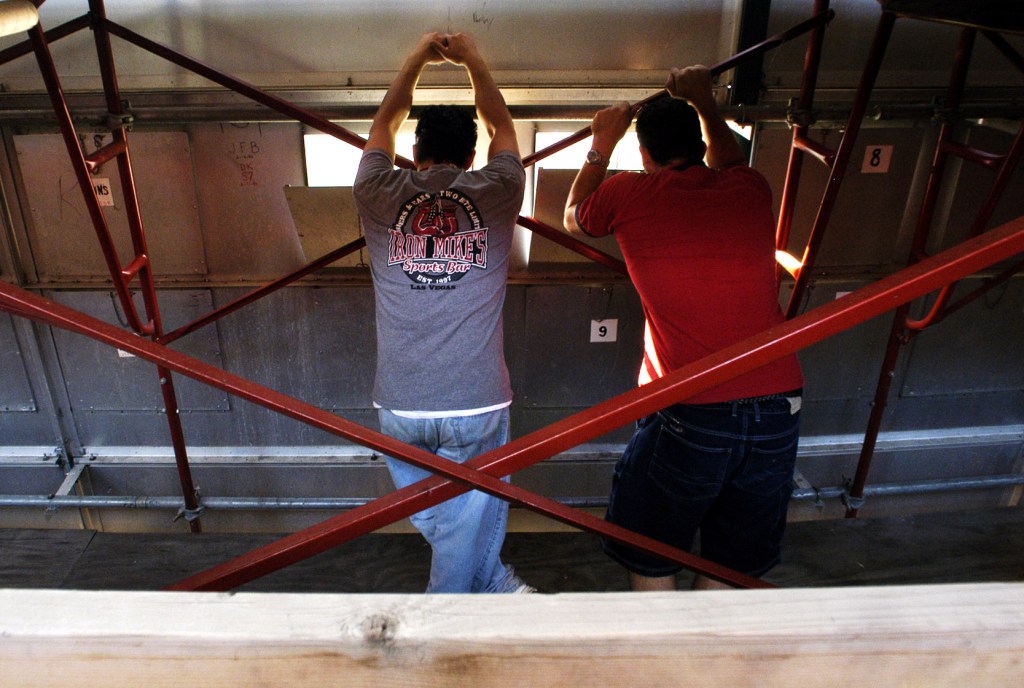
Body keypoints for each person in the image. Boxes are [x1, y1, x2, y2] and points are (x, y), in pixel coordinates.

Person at [562, 65, 804, 591]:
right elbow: (731, 158)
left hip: (693, 406)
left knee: (652, 555)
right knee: (729, 565)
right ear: (698, 143)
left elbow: (573, 216)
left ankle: (664, 668)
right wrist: (704, 101)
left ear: (644, 156)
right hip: (779, 405)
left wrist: (600, 144)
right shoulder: (748, 187)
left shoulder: (628, 194)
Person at [352, 32, 531, 593]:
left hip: (400, 401)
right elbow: (502, 125)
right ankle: (473, 597)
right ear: (472, 155)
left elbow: (385, 119)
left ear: (414, 150)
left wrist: (416, 59)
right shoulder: (499, 187)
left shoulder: (378, 188)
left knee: (448, 516)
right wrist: (475, 57)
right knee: (466, 516)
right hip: (477, 398)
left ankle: (484, 589)